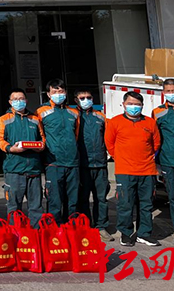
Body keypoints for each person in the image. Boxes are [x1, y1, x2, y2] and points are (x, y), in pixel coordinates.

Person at [105, 91, 161, 247]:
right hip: (125, 171)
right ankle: (126, 233)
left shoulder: (150, 123)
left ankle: (144, 234)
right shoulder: (115, 122)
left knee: (146, 205)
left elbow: (156, 143)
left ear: (142, 106)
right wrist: (121, 158)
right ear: (123, 105)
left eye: (137, 104)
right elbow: (109, 144)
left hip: (147, 171)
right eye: (130, 104)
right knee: (125, 204)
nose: (134, 107)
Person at [0, 88, 45, 229]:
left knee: (36, 207)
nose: (19, 101)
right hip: (14, 169)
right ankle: (16, 234)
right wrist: (10, 148)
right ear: (10, 102)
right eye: (15, 99)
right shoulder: (3, 120)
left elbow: (42, 138)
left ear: (26, 100)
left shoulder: (35, 119)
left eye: (21, 99)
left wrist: (41, 146)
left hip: (33, 169)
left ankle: (35, 234)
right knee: (14, 207)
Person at [35, 79, 80, 224]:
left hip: (72, 162)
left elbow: (76, 135)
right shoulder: (41, 112)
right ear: (48, 94)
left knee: (73, 200)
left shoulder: (74, 113)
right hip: (53, 162)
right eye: (55, 91)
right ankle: (54, 230)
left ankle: (71, 228)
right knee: (54, 199)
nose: (59, 94)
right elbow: (40, 135)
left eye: (61, 91)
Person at [74, 89, 112, 241]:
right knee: (82, 198)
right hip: (82, 165)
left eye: (88, 97)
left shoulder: (101, 117)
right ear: (76, 100)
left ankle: (101, 226)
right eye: (82, 97)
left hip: (100, 164)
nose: (86, 100)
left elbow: (108, 137)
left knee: (101, 198)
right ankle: (85, 226)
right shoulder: (73, 116)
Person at [153, 78, 174, 245]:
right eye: (168, 91)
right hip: (168, 162)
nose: (172, 94)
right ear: (163, 93)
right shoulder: (157, 112)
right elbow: (155, 138)